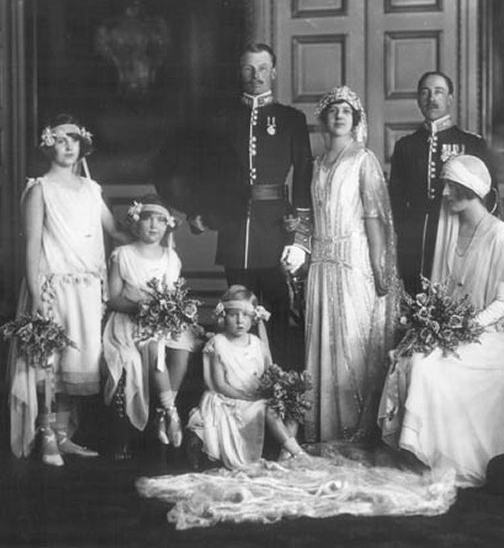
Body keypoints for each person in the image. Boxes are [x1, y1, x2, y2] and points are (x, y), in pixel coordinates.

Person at [379, 154, 504, 487]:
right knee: (413, 356)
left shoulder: (502, 235)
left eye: (452, 186)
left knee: (429, 365)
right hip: (455, 329)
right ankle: (424, 451)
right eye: (447, 186)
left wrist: (465, 328)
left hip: (493, 336)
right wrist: (436, 326)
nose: (446, 193)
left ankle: (447, 456)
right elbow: (443, 292)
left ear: (471, 189)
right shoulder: (449, 230)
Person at [157, 42, 312, 371]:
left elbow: (303, 179)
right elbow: (204, 170)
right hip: (233, 224)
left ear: (274, 72)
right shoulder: (222, 119)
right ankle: (240, 382)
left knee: (279, 312)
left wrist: (300, 236)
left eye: (262, 68)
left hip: (276, 226)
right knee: (238, 309)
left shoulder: (291, 119)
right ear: (239, 72)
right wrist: (199, 209)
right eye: (248, 68)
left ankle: (278, 383)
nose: (255, 76)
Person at [9, 114, 131, 466]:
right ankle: (46, 434)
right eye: (61, 139)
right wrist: (35, 294)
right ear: (49, 144)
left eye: (74, 140)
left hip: (88, 289)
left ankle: (63, 435)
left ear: (82, 146)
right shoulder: (39, 189)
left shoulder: (91, 190)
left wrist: (157, 228)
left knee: (77, 364)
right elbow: (32, 246)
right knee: (50, 360)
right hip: (54, 287)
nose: (68, 146)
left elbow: (115, 231)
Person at [296, 86, 399, 443]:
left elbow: (373, 216)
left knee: (353, 345)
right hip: (322, 263)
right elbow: (311, 217)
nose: (340, 116)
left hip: (355, 261)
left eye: (347, 111)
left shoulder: (363, 159)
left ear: (355, 121)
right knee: (322, 342)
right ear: (324, 119)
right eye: (334, 110)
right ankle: (324, 429)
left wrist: (378, 263)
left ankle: (356, 428)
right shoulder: (316, 164)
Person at [102, 195, 196, 458]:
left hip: (162, 320)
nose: (154, 226)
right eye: (147, 219)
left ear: (167, 225)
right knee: (154, 349)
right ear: (135, 222)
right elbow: (113, 298)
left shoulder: (170, 257)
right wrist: (142, 308)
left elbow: (173, 296)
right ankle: (172, 415)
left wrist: (170, 312)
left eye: (160, 220)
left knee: (182, 347)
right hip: (130, 320)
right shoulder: (123, 255)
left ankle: (162, 415)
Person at [389, 71, 498, 295]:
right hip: (416, 237)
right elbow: (395, 201)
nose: (432, 98)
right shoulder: (406, 146)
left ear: (449, 98)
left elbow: (490, 195)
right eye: (425, 92)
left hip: (458, 230)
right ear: (418, 99)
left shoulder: (471, 143)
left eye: (439, 92)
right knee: (416, 295)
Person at [186, 285, 306, 469]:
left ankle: (286, 453)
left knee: (290, 407)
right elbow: (219, 385)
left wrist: (282, 390)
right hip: (229, 399)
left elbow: (270, 373)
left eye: (246, 316)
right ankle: (299, 453)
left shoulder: (257, 344)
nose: (240, 321)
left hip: (255, 396)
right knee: (270, 410)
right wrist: (247, 397)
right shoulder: (217, 343)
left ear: (254, 318)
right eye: (234, 315)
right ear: (223, 316)